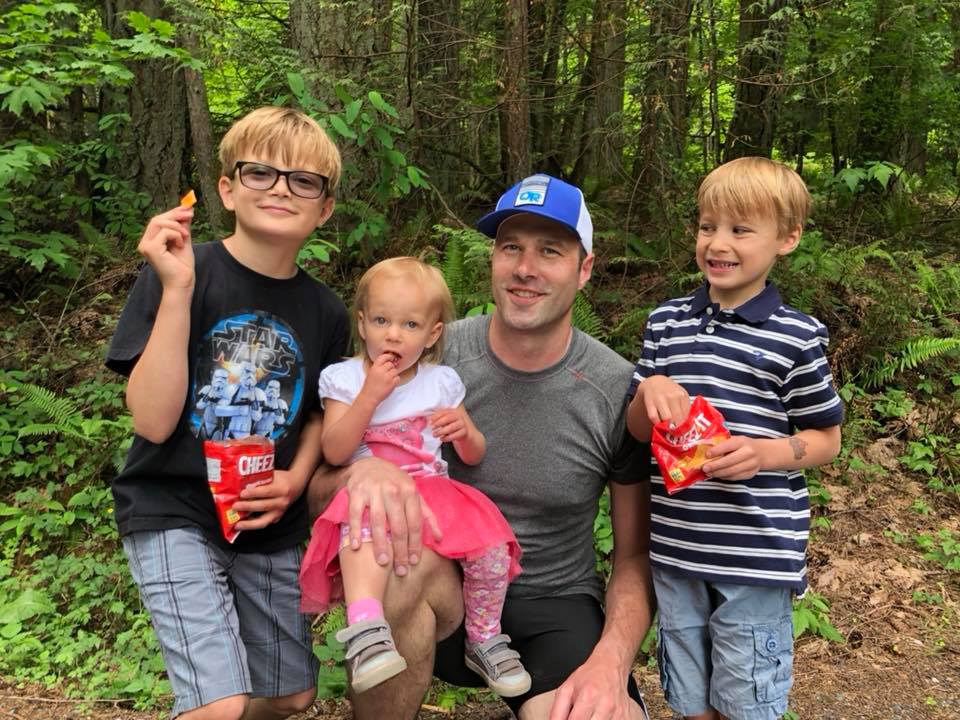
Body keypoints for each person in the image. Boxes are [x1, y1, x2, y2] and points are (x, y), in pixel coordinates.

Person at [309, 173, 654, 720]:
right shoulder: (424, 351)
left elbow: (633, 555)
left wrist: (611, 662)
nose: (525, 268)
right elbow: (319, 483)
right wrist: (360, 473)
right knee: (396, 557)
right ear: (493, 258)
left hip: (554, 602)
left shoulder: (614, 388)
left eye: (550, 251)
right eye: (511, 247)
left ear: (585, 268)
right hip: (436, 589)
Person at [105, 106, 350, 720]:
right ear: (228, 188)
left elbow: (318, 414)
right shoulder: (183, 273)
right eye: (261, 172)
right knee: (219, 705)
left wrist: (296, 479)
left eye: (303, 181)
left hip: (266, 519)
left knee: (289, 695)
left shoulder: (327, 312)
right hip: (172, 505)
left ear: (324, 208)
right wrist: (178, 290)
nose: (280, 189)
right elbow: (152, 422)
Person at [626, 156, 844, 720]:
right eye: (708, 226)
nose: (717, 243)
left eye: (740, 230)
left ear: (787, 239)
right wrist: (650, 390)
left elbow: (826, 439)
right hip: (677, 549)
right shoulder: (666, 323)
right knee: (689, 700)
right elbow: (634, 428)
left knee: (745, 704)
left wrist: (765, 453)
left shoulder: (795, 337)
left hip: (756, 556)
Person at [299, 256, 531, 698]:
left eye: (409, 325)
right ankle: (366, 631)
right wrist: (369, 397)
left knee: (491, 549)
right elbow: (335, 450)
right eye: (381, 320)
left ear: (432, 335)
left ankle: (484, 637)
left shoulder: (440, 382)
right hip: (370, 488)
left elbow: (474, 453)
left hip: (433, 489)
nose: (393, 335)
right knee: (362, 531)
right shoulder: (345, 379)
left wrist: (464, 433)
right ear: (362, 323)